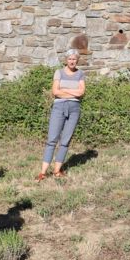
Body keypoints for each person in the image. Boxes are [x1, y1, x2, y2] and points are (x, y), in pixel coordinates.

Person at [36, 49, 86, 181]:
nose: (72, 61)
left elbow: (81, 93)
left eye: (74, 59)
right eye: (70, 59)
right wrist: (72, 92)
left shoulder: (80, 73)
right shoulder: (59, 72)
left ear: (77, 60)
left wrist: (64, 91)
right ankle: (43, 172)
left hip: (74, 108)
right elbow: (55, 92)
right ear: (66, 60)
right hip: (59, 107)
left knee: (65, 141)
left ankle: (57, 170)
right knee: (52, 140)